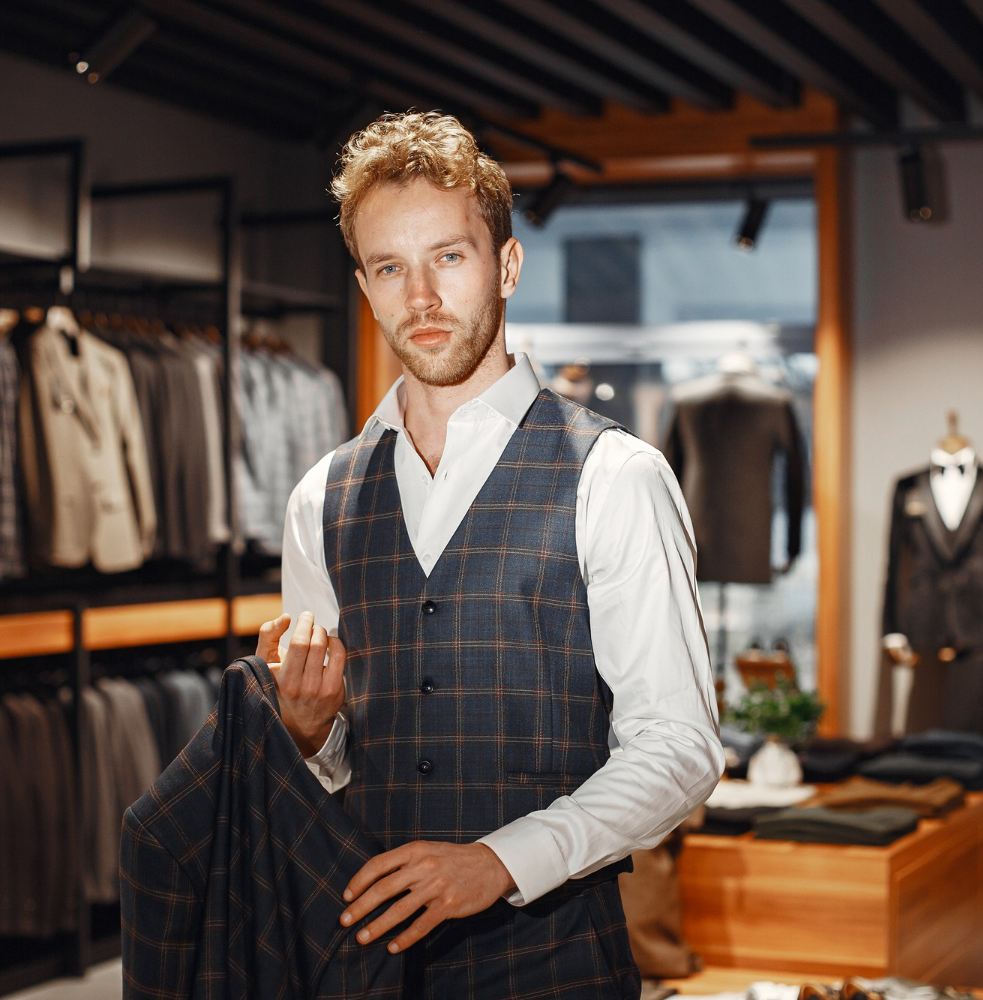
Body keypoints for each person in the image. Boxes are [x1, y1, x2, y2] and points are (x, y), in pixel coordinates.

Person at [255, 110, 722, 997]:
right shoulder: (322, 496)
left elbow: (678, 748)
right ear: (364, 285)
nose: (421, 298)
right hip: (364, 964)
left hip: (556, 963)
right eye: (390, 268)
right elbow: (328, 763)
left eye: (449, 257)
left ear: (505, 265)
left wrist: (501, 863)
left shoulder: (615, 478)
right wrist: (307, 732)